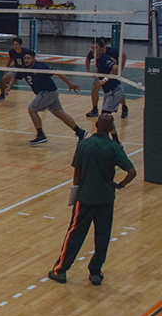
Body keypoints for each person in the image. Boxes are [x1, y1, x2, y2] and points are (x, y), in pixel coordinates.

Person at [48, 113, 136, 286]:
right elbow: (132, 172)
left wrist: (75, 192)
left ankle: (61, 270)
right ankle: (95, 272)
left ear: (96, 124)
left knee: (74, 234)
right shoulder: (114, 147)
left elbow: (77, 173)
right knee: (103, 236)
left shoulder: (84, 145)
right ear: (111, 128)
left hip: (85, 197)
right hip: (106, 198)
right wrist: (120, 185)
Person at [22, 50, 87, 145]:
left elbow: (58, 73)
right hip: (48, 93)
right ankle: (80, 132)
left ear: (33, 59)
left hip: (48, 92)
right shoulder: (24, 69)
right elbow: (15, 77)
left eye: (28, 58)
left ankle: (40, 135)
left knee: (32, 110)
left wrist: (70, 84)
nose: (26, 60)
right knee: (60, 114)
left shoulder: (41, 67)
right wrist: (8, 87)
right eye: (25, 58)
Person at [86, 39, 128, 118]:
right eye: (92, 48)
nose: (93, 50)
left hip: (114, 91)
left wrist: (103, 80)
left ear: (102, 48)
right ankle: (95, 109)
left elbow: (115, 68)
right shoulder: (99, 58)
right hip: (109, 92)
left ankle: (124, 107)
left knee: (104, 119)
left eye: (96, 48)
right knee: (105, 120)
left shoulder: (103, 58)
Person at [0, 37, 34, 101]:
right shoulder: (12, 51)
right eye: (14, 44)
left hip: (26, 69)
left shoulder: (26, 51)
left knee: (34, 82)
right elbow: (10, 59)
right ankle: (2, 95)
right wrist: (6, 68)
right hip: (16, 68)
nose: (15, 46)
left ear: (20, 45)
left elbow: (33, 58)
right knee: (3, 80)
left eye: (17, 44)